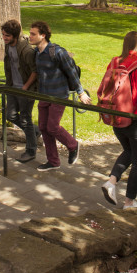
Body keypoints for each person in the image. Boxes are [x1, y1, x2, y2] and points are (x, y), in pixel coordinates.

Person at [100, 31, 137, 209]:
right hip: (135, 121)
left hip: (116, 118)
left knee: (129, 152)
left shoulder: (115, 62)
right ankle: (129, 202)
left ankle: (111, 182)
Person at [29, 21, 91, 171]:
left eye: (33, 34)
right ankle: (53, 161)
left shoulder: (57, 52)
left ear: (43, 36)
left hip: (58, 95)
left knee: (52, 126)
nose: (29, 36)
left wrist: (81, 92)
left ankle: (73, 145)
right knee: (43, 127)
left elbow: (72, 73)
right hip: (44, 95)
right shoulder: (37, 52)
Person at [1, 19, 38, 163]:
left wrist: (26, 86)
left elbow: (35, 71)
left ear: (15, 36)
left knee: (25, 118)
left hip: (25, 89)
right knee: (10, 115)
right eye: (3, 35)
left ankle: (31, 150)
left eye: (7, 36)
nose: (4, 38)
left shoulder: (27, 51)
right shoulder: (7, 46)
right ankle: (34, 131)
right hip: (12, 86)